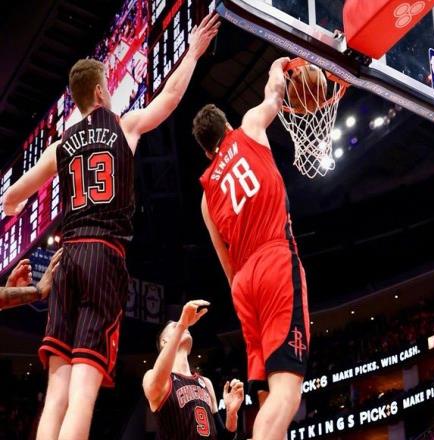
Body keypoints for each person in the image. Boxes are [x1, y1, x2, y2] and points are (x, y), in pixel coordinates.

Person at [2, 12, 220, 440]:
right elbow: (169, 99)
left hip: (67, 259)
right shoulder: (124, 126)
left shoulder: (60, 145)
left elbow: (11, 199)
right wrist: (193, 52)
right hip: (104, 256)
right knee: (83, 394)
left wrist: (21, 201)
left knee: (57, 393)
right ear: (102, 91)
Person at [192, 57, 310, 440]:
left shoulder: (206, 198)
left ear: (207, 152)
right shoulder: (249, 128)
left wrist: (244, 288)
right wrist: (278, 65)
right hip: (274, 258)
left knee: (267, 397)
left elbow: (224, 261)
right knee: (288, 391)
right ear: (227, 127)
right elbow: (275, 94)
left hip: (243, 282)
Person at [143, 300, 244, 439]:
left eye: (185, 326)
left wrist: (231, 414)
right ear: (164, 342)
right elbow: (154, 386)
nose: (185, 326)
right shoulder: (152, 377)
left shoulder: (206, 382)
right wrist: (181, 325)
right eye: (176, 326)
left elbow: (223, 438)